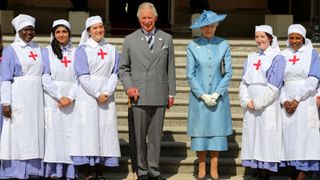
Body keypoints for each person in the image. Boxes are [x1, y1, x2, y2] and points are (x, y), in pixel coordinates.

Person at [119, 2, 176, 180]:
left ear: (155, 18)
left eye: (149, 17)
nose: (146, 21)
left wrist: (171, 92)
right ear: (138, 19)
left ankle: (154, 170)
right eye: (143, 18)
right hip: (139, 95)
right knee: (139, 137)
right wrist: (129, 87)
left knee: (155, 139)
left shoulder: (166, 38)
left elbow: (171, 67)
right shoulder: (130, 39)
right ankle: (142, 171)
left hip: (159, 94)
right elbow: (123, 68)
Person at [70, 15, 120, 180]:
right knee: (87, 132)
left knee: (104, 132)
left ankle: (100, 172)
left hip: (106, 96)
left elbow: (114, 73)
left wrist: (107, 92)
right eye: (95, 28)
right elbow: (82, 76)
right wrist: (97, 94)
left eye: (101, 27)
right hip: (88, 96)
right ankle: (86, 172)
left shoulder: (112, 49)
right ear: (89, 31)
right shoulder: (82, 49)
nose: (99, 30)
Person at [187, 10, 233, 180]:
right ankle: (201, 166)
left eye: (212, 26)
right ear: (201, 27)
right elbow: (190, 74)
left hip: (218, 95)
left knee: (216, 131)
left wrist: (217, 93)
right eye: (206, 26)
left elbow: (228, 72)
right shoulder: (192, 46)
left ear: (217, 26)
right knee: (201, 131)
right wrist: (202, 95)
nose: (209, 29)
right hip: (199, 96)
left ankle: (214, 166)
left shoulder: (223, 44)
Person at [0, 14, 45, 179]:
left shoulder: (39, 48)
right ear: (18, 31)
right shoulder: (10, 50)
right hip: (18, 95)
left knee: (35, 132)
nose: (29, 32)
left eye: (31, 29)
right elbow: (5, 78)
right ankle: (16, 171)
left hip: (37, 96)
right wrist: (6, 102)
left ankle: (34, 170)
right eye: (25, 29)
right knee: (19, 133)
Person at [239, 25, 286, 179]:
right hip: (251, 106)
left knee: (266, 137)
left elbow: (274, 85)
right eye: (257, 37)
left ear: (270, 38)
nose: (259, 40)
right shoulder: (251, 57)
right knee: (252, 136)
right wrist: (246, 101)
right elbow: (244, 82)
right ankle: (257, 169)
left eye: (262, 37)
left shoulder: (277, 57)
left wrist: (258, 102)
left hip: (267, 105)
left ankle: (265, 172)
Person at [279, 24, 320, 180]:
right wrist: (284, 100)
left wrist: (296, 99)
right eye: (291, 37)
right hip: (287, 100)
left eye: (298, 38)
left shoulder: (312, 53)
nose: (294, 41)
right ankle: (293, 171)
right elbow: (278, 81)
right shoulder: (282, 55)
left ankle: (303, 172)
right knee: (290, 136)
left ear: (303, 38)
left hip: (305, 98)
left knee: (305, 135)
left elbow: (313, 78)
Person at [41, 19, 76, 179]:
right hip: (52, 98)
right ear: (53, 34)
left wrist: (69, 97)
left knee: (70, 135)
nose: (61, 35)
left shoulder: (77, 52)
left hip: (71, 99)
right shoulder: (46, 52)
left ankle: (70, 172)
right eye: (58, 32)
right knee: (53, 135)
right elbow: (45, 76)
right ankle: (53, 172)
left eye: (64, 31)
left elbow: (79, 78)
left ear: (69, 33)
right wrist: (59, 96)